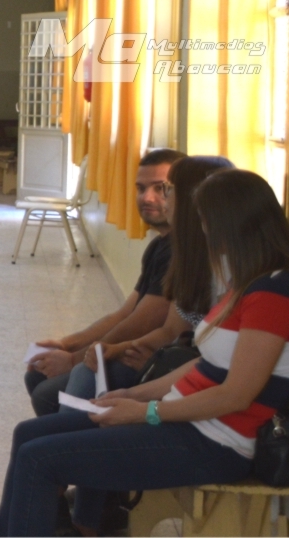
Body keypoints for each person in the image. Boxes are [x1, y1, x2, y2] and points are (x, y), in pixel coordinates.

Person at [0, 169, 289, 537]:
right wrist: (132, 395)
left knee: (40, 460)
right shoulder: (246, 282)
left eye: (206, 221)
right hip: (186, 422)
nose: (203, 230)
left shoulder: (272, 293)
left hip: (215, 443)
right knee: (28, 435)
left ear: (230, 223)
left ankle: (72, 521)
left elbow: (236, 395)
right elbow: (205, 363)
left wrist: (147, 412)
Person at [24, 148, 185, 415]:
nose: (147, 197)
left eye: (161, 188)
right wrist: (67, 344)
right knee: (38, 375)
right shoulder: (160, 245)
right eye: (141, 188)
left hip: (150, 361)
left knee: (46, 394)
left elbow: (143, 323)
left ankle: (67, 439)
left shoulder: (180, 251)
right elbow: (124, 313)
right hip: (131, 350)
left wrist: (75, 360)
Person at [100, 156, 234, 373]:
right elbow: (171, 330)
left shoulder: (229, 267)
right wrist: (114, 349)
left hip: (196, 371)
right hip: (181, 362)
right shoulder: (186, 255)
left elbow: (223, 360)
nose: (162, 198)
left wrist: (163, 369)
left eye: (167, 189)